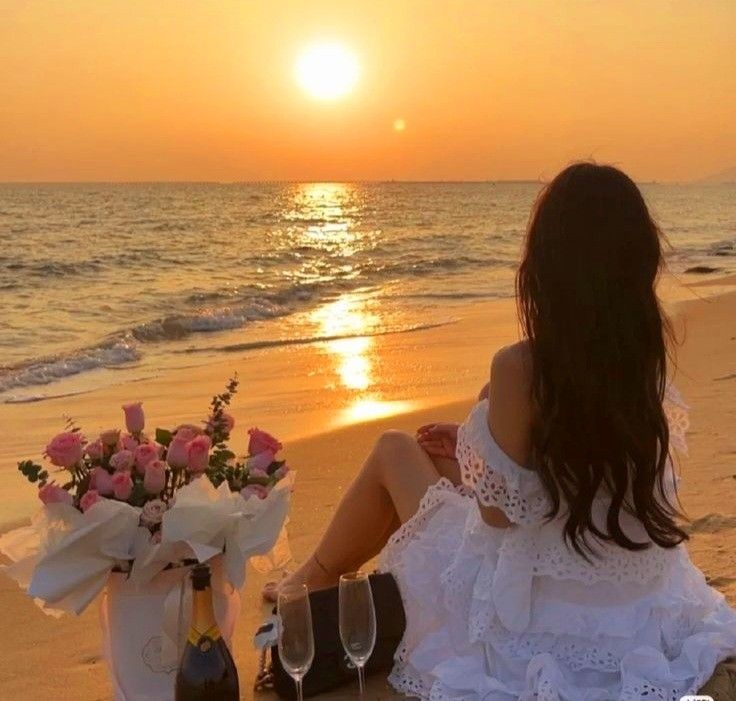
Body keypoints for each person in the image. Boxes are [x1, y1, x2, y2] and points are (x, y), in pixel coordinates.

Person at [265, 163, 736, 699]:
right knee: (434, 458)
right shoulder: (640, 359)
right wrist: (471, 441)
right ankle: (316, 574)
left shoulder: (520, 367)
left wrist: (483, 425)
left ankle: (310, 578)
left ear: (545, 267)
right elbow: (570, 477)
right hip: (629, 604)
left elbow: (496, 515)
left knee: (394, 448)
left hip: (533, 615)